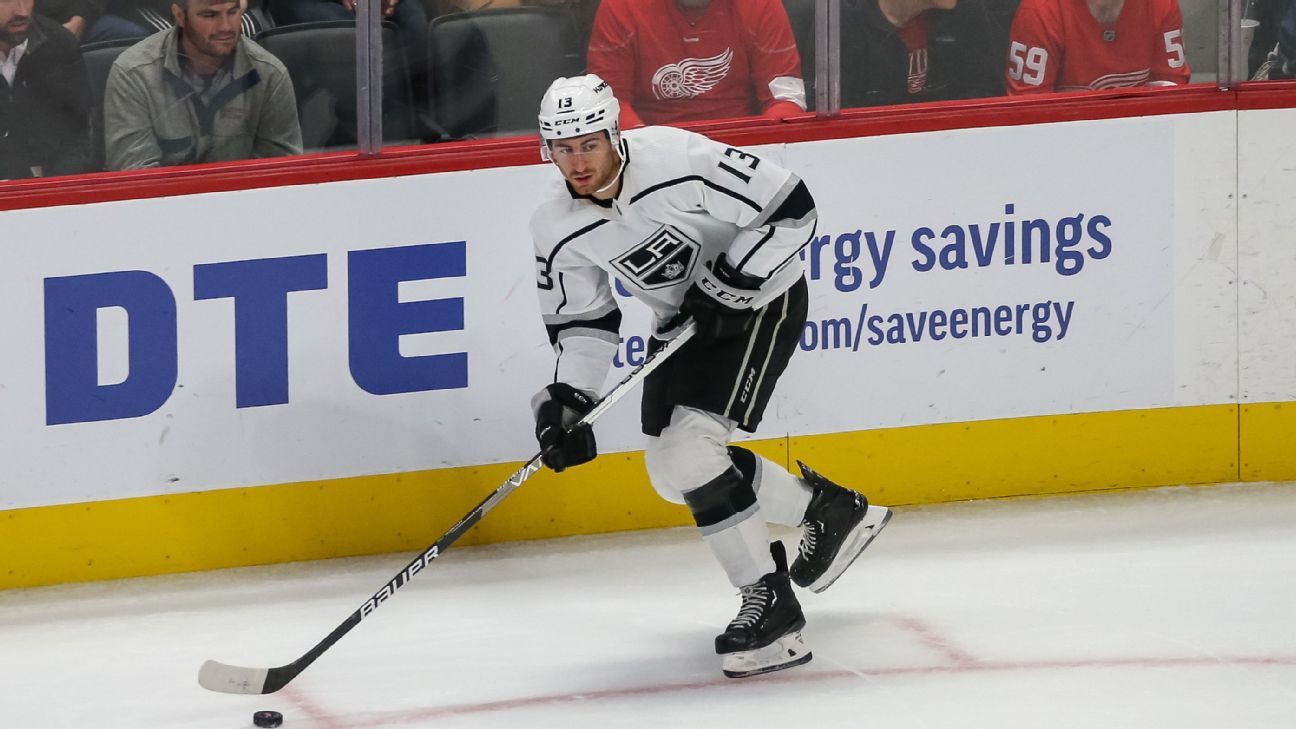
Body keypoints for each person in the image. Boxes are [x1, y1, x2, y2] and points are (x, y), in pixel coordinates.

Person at [527, 74, 891, 678]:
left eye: (588, 144)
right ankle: (828, 512)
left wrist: (736, 282)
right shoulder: (555, 225)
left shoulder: (677, 158)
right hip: (687, 321)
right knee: (673, 473)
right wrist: (570, 399)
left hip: (763, 297)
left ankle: (771, 604)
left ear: (614, 133)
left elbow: (793, 208)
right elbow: (583, 320)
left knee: (693, 453)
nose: (577, 161)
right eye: (563, 149)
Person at [102, 0, 302, 170]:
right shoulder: (134, 74)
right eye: (210, 15)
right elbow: (134, 179)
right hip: (162, 210)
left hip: (243, 208)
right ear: (180, 16)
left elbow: (281, 174)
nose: (225, 26)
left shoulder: (269, 74)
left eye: (232, 12)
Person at [585, 0, 806, 128]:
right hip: (650, 151)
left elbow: (785, 100)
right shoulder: (620, 7)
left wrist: (762, 149)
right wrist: (647, 151)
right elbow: (608, 104)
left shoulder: (761, 5)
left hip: (744, 151)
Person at [837, 0, 1009, 107]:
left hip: (949, 147)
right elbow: (836, 119)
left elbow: (986, 94)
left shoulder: (967, 10)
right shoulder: (842, 20)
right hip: (871, 153)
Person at [1005, 0, 1191, 94]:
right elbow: (1029, 115)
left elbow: (1172, 96)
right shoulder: (1039, 12)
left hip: (1141, 140)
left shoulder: (1161, 5)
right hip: (1062, 147)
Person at [0, 0, 91, 179]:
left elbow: (77, 134)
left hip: (50, 188)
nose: (22, 11)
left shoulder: (59, 44)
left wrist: (58, 189)